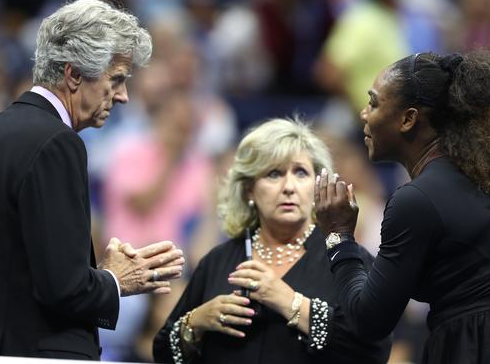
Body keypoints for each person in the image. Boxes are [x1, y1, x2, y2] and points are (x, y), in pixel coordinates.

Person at [0, 0, 185, 360]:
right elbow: (63, 290)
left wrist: (94, 271)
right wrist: (117, 279)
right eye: (115, 80)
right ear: (73, 75)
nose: (123, 96)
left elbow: (16, 270)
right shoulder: (58, 143)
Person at [314, 50, 490, 363]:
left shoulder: (415, 200)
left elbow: (368, 321)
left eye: (374, 102)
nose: (364, 114)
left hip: (488, 351)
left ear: (408, 119)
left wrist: (339, 236)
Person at [153, 118, 391, 363]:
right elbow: (162, 354)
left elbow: (373, 350)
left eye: (301, 172)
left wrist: (290, 302)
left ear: (317, 186)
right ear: (249, 190)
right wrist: (197, 322)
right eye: (274, 174)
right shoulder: (217, 261)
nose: (289, 186)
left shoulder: (346, 259)